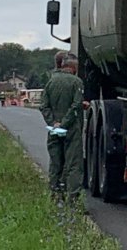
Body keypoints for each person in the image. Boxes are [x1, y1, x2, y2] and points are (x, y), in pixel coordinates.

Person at [40, 50, 84, 199]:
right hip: (71, 129)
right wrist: (64, 123)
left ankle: (54, 194)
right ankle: (72, 197)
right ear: (73, 68)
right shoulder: (76, 82)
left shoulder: (50, 82)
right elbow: (76, 104)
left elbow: (44, 106)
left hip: (53, 128)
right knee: (73, 163)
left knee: (55, 162)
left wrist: (53, 123)